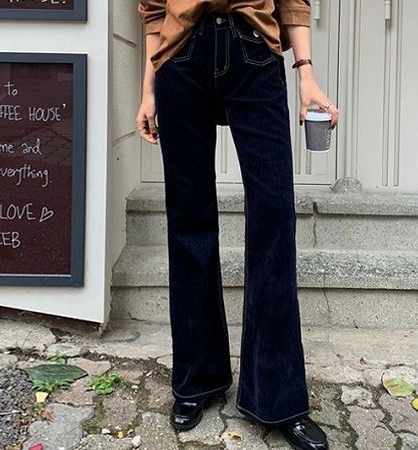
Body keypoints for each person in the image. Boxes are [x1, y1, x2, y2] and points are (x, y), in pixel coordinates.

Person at [136, 1, 339, 449]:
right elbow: (154, 10)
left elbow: (294, 3)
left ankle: (278, 397)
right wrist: (149, 89)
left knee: (274, 216)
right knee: (189, 219)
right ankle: (197, 380)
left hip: (255, 53)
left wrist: (306, 74)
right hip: (181, 56)